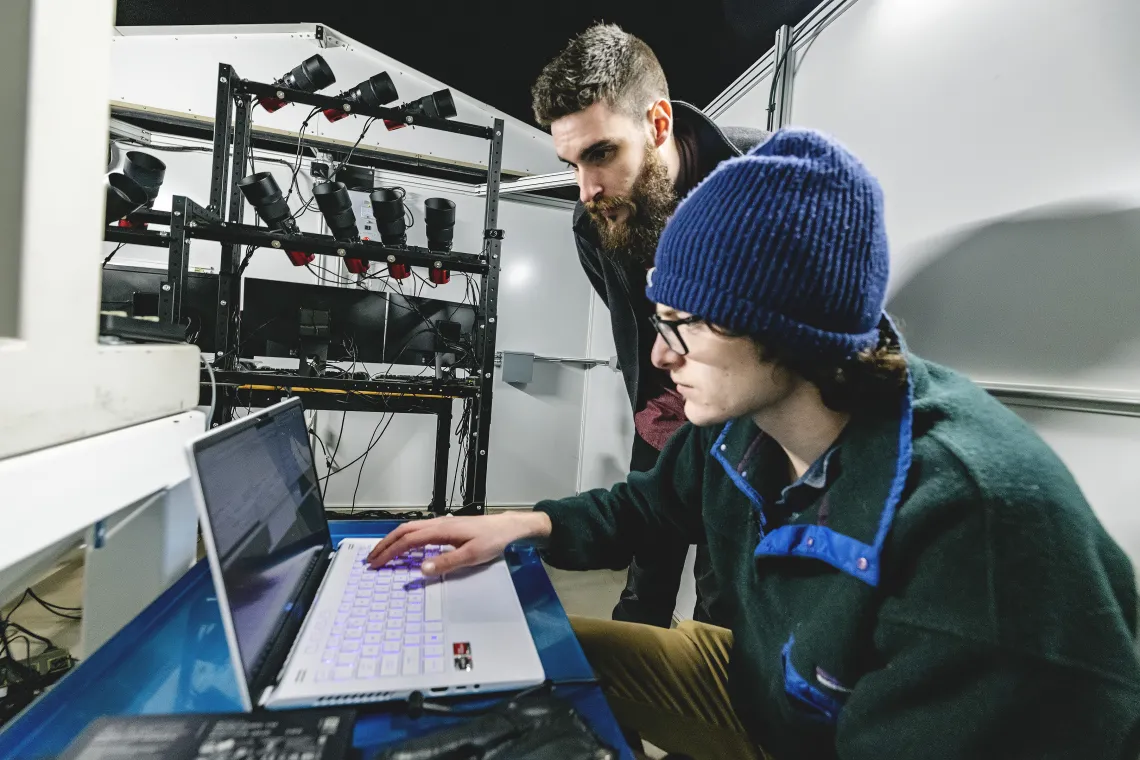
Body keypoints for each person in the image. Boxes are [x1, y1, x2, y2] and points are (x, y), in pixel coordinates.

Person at [368, 129, 1140, 759]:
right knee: (540, 657)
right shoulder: (745, 424)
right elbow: (652, 504)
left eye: (687, 326)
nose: (662, 356)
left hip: (840, 737)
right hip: (771, 691)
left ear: (787, 328)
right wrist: (524, 525)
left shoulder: (974, 521)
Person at [530, 23, 769, 628]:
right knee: (642, 592)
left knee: (721, 608)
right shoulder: (592, 223)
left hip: (745, 431)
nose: (586, 188)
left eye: (602, 152)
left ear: (658, 124)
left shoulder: (762, 181)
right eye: (572, 162)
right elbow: (636, 325)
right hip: (659, 420)